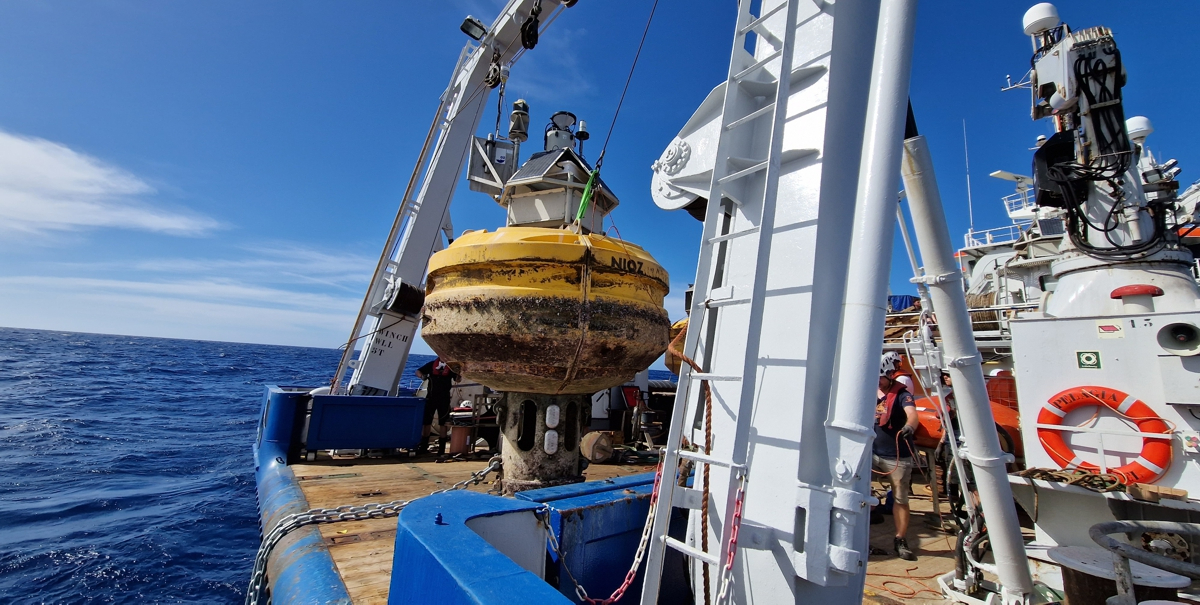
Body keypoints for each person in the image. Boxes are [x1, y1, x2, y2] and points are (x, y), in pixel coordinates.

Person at [873, 353, 920, 561]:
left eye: (881, 377)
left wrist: (910, 426)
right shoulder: (869, 392)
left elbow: (912, 413)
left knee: (900, 497)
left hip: (895, 454)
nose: (878, 381)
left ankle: (900, 538)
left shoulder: (902, 394)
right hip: (872, 453)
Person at [415, 357, 459, 456]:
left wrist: (459, 373)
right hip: (431, 397)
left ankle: (441, 448)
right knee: (427, 421)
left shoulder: (451, 367)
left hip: (444, 398)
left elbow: (457, 379)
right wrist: (422, 376)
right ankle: (423, 446)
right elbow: (417, 371)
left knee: (443, 422)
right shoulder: (431, 364)